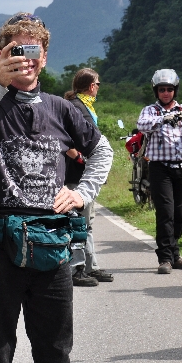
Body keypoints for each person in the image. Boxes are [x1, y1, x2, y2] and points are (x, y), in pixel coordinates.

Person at [0, 12, 113, 363]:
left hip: (53, 251)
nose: (26, 59)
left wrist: (81, 192)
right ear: (3, 54)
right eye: (16, 50)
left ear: (44, 57)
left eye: (33, 51)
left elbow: (101, 151)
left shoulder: (62, 109)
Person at [137, 68, 182, 274]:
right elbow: (141, 124)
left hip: (181, 167)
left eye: (169, 89)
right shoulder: (151, 111)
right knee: (165, 212)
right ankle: (165, 258)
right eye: (162, 90)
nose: (166, 93)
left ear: (175, 90)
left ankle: (176, 254)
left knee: (179, 213)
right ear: (156, 91)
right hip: (160, 169)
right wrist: (163, 119)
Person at [63, 68, 113, 287]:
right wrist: (80, 158)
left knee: (87, 221)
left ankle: (91, 266)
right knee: (79, 222)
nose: (98, 88)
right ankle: (76, 269)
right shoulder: (77, 108)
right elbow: (64, 140)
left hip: (83, 171)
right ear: (91, 86)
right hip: (76, 173)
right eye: (98, 84)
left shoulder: (84, 107)